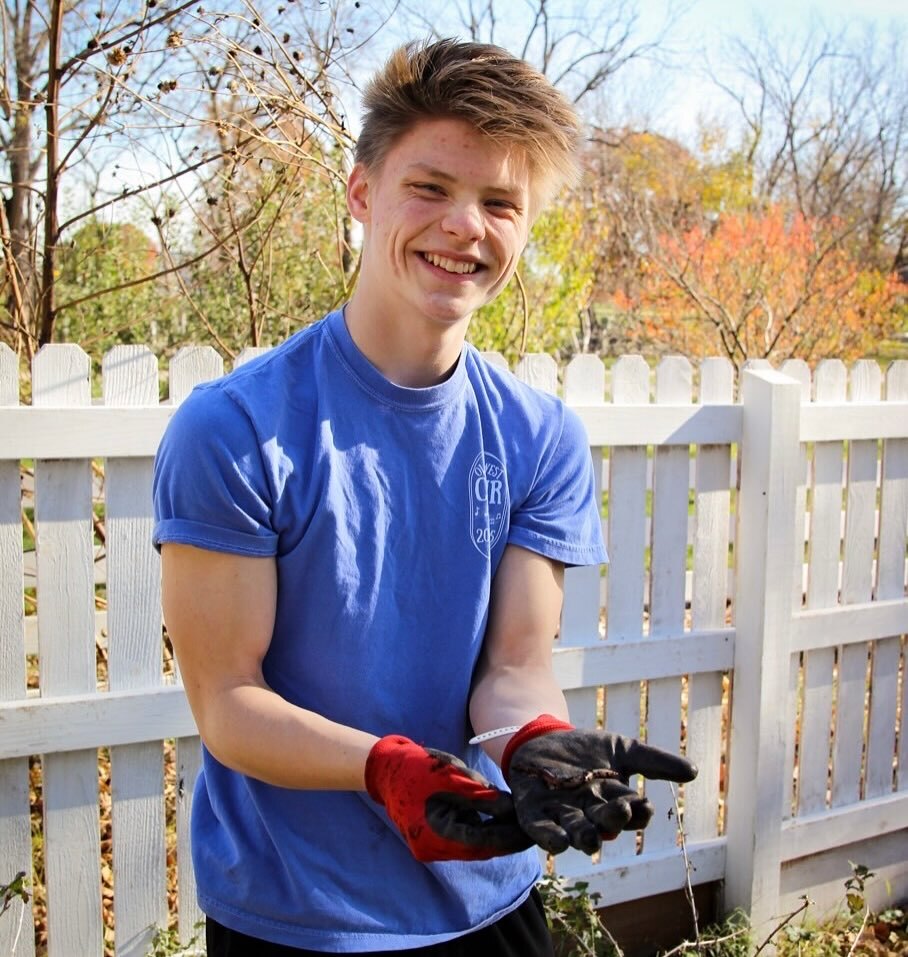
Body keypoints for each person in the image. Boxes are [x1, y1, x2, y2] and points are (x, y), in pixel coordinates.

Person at [152, 38, 697, 956]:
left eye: (499, 203)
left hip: (487, 883)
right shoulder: (237, 429)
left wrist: (529, 743)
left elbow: (515, 663)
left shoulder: (540, 436)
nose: (465, 227)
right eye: (431, 188)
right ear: (363, 193)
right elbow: (229, 702)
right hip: (297, 914)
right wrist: (384, 768)